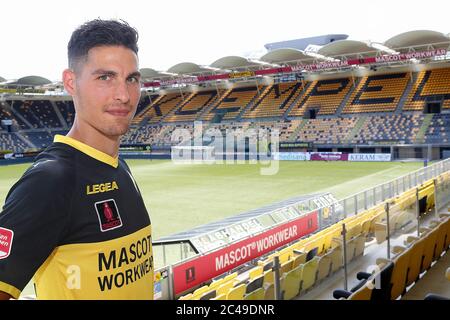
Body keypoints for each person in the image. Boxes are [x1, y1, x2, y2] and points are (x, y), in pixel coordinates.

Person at [0, 19, 153, 300]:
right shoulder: (50, 181)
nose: (123, 95)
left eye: (131, 79)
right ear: (71, 82)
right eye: (105, 77)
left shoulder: (120, 167)